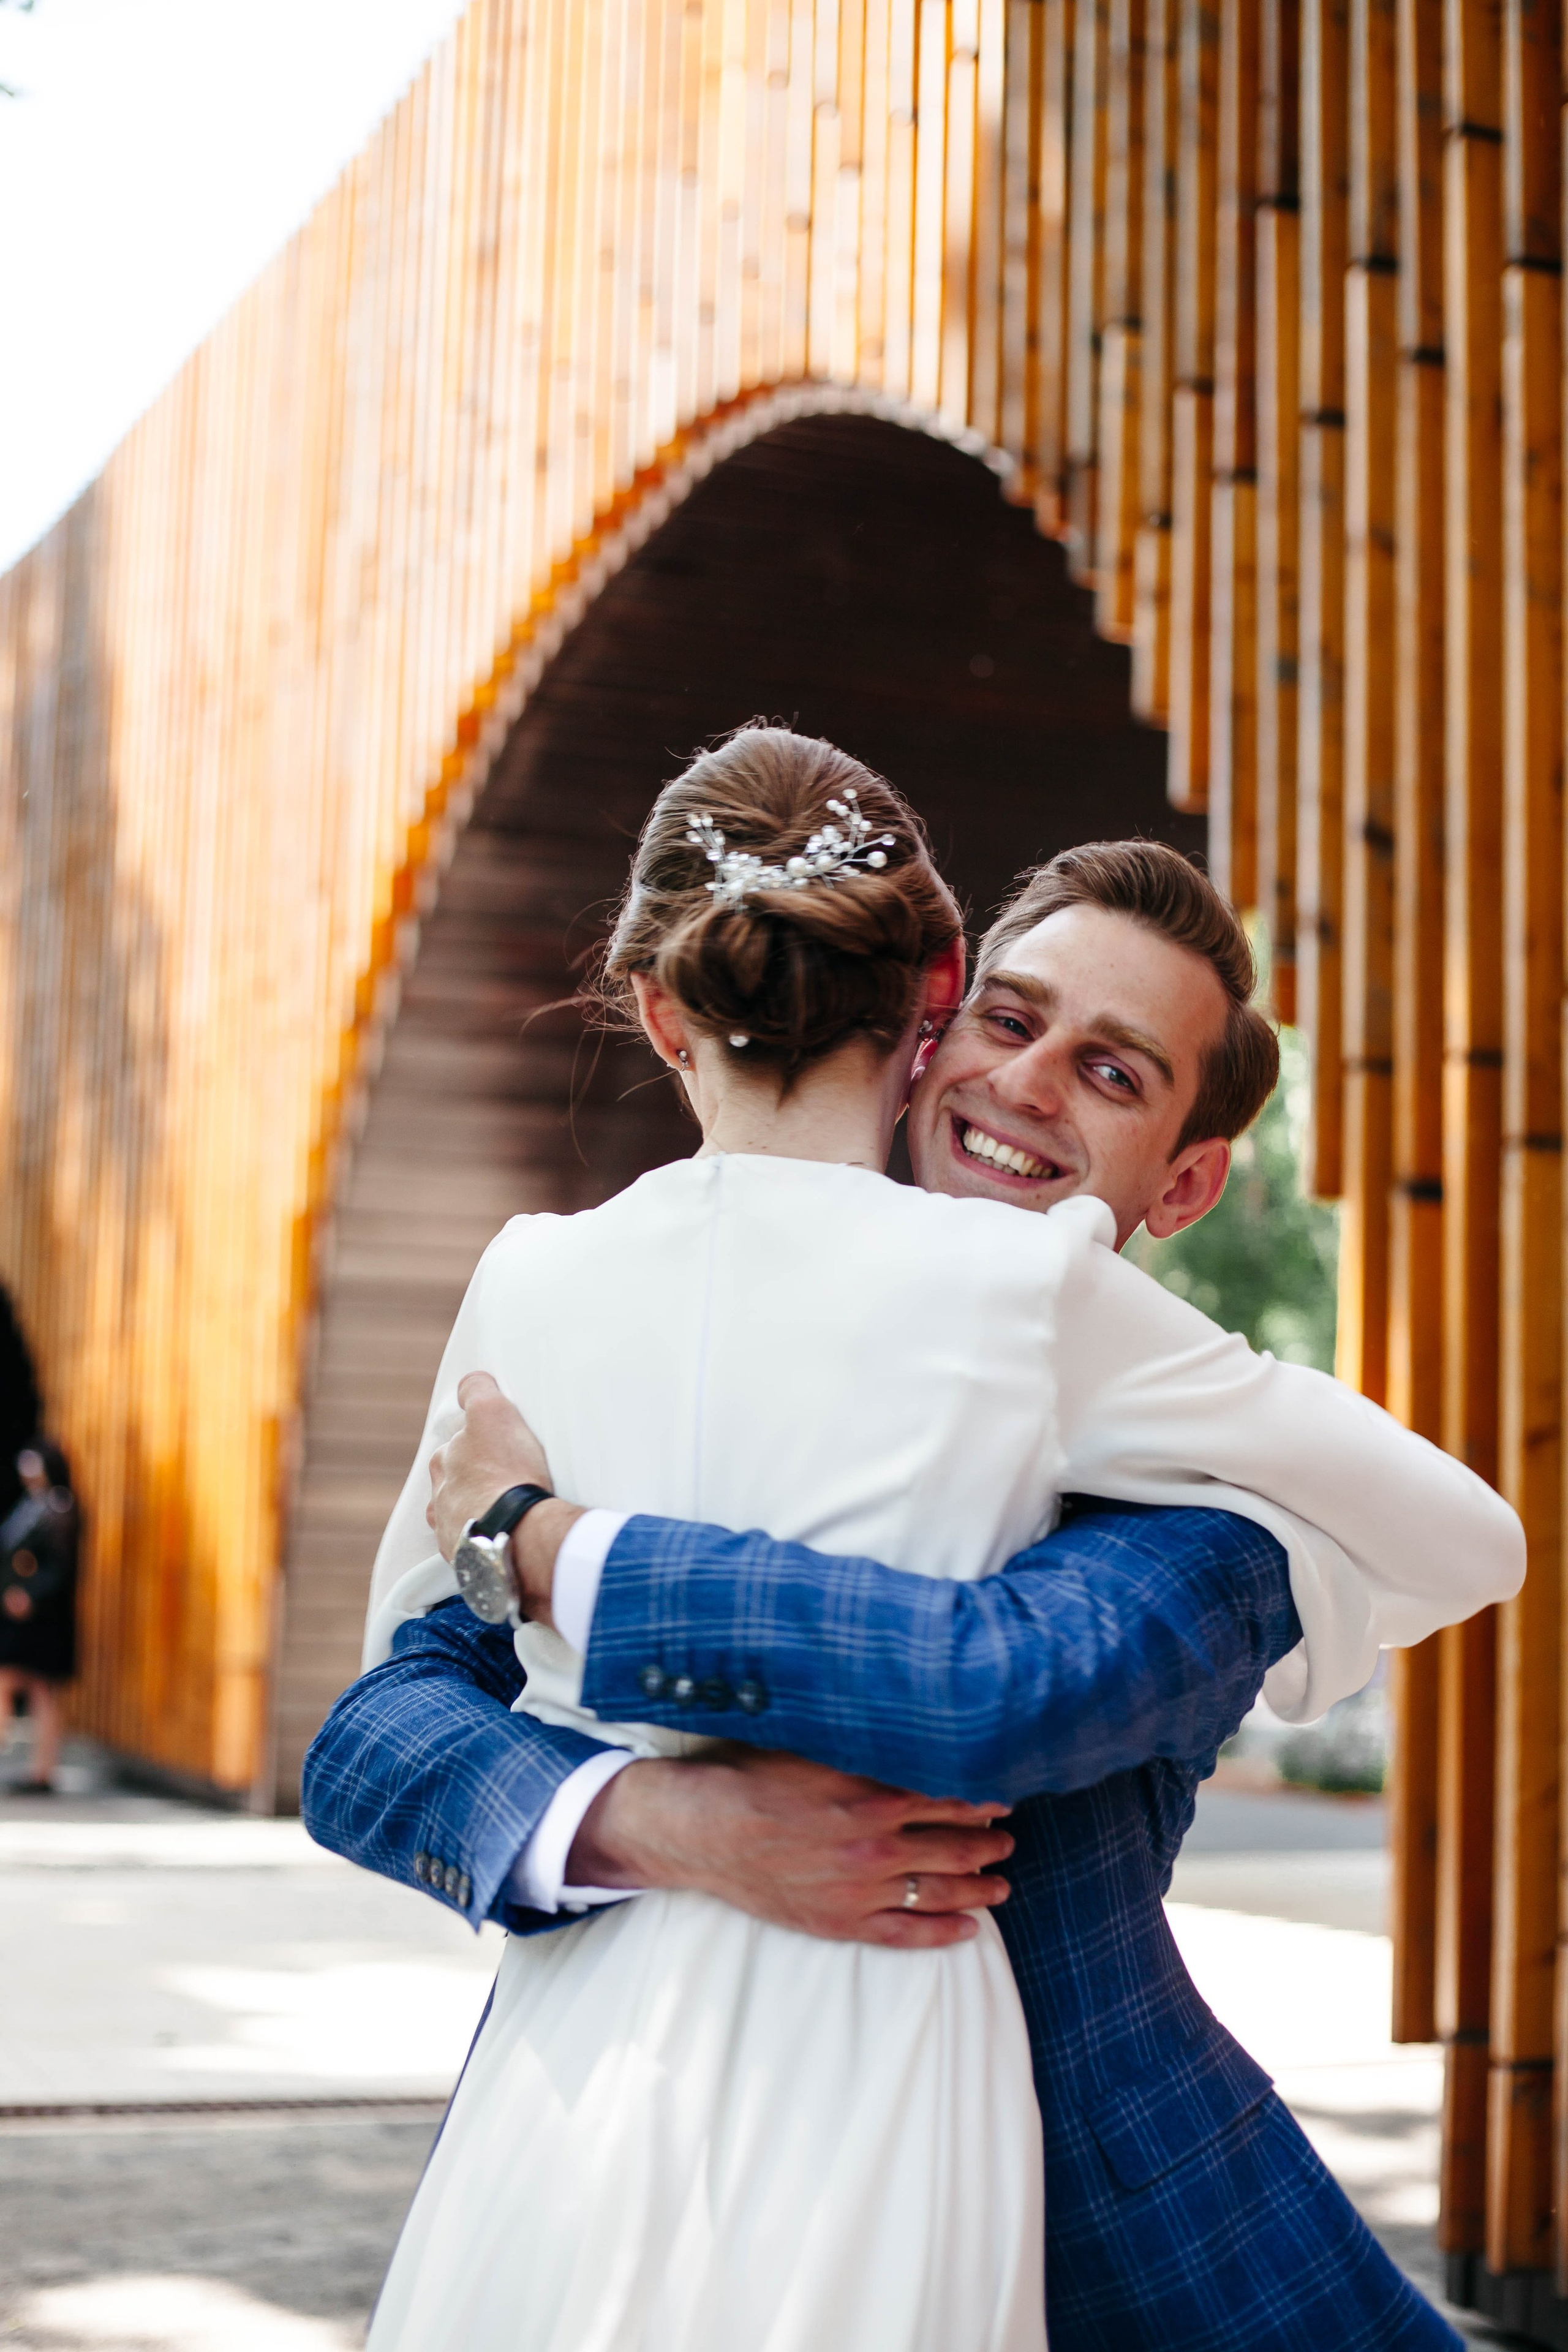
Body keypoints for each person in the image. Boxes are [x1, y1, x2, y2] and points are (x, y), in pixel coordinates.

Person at [307, 739, 1520, 2351]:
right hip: (615, 2119)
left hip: (1121, 2255)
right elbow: (380, 1733)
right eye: (1011, 1023)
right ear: (930, 1015)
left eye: (1112, 1072)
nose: (1025, 1084)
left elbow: (990, 1688)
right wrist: (649, 1821)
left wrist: (544, 1550)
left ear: (1185, 1185)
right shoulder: (614, 1285)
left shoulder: (1211, 1501)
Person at [0, 1439, 80, 1793]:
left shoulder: (60, 1506)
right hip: (24, 1613)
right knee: (24, 1686)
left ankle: (43, 1771)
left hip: (44, 1617)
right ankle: (40, 1770)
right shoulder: (32, 1505)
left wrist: (32, 1595)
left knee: (39, 1688)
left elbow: (61, 1566)